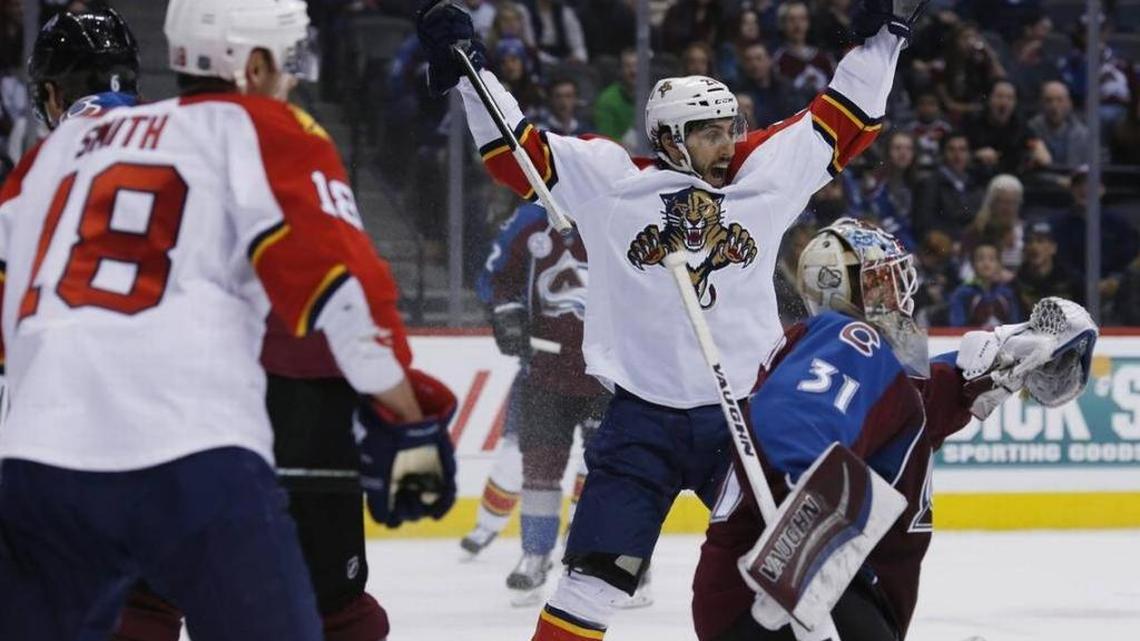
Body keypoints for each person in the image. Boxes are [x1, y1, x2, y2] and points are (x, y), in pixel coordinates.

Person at [416, 0, 922, 638]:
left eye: (730, 126)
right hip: (640, 421)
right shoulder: (610, 185)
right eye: (709, 131)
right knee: (592, 581)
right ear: (668, 139)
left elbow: (844, 117)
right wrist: (471, 73)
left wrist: (887, 38)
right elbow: (516, 151)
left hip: (742, 421)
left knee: (797, 564)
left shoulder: (763, 179)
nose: (728, 140)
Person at [0, 1, 455, 640]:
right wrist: (409, 420)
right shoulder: (260, 127)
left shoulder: (49, 157)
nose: (294, 77)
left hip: (41, 465)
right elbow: (344, 294)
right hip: (191, 459)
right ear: (258, 62)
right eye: (290, 60)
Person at [690, 227, 1095, 639]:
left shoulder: (872, 370)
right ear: (848, 289)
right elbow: (794, 414)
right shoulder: (851, 338)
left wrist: (1005, 358)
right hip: (782, 593)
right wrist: (811, 499)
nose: (901, 294)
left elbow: (917, 406)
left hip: (800, 594)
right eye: (885, 279)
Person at [462, 201, 611, 606]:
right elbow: (497, 278)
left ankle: (608, 557)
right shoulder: (530, 221)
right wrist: (508, 315)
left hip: (609, 377)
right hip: (544, 374)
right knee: (539, 471)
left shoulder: (618, 213)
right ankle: (535, 554)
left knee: (609, 473)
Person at [949, 242, 1022, 327]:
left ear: (999, 265)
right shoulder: (962, 293)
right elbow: (957, 325)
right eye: (980, 259)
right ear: (972, 264)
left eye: (991, 259)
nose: (986, 263)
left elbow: (1015, 325)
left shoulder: (1007, 293)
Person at [1015, 220, 1083, 313]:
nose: (1034, 246)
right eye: (1029, 241)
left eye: (1040, 241)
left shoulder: (1070, 280)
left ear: (1053, 248)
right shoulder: (1018, 281)